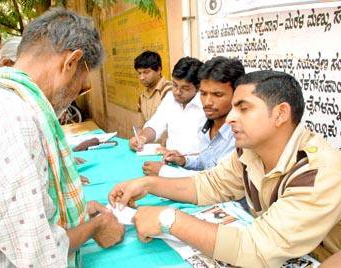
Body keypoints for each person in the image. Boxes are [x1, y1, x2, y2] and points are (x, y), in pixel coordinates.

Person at [0, 8, 124, 267]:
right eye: (84, 86)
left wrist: (75, 216)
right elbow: (39, 254)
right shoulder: (13, 119)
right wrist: (96, 226)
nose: (77, 94)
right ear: (71, 62)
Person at [109, 70, 341, 267]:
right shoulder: (251, 150)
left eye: (244, 108)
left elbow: (256, 249)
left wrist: (169, 219)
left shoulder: (318, 171)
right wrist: (149, 184)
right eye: (232, 108)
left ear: (280, 114)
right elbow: (209, 185)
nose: (230, 118)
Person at [162, 56, 244, 175]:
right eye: (203, 94)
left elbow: (217, 184)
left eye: (218, 94)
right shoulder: (205, 124)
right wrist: (184, 160)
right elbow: (206, 161)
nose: (207, 102)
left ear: (236, 94)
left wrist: (163, 172)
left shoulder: (239, 136)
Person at [130, 57, 206, 176]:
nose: (177, 92)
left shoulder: (207, 106)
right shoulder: (170, 98)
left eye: (185, 88)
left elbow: (211, 154)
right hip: (169, 162)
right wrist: (143, 138)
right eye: (175, 85)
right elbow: (156, 124)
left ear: (198, 87)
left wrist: (182, 159)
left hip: (196, 170)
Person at [135, 51, 173, 122]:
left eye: (146, 72)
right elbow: (140, 126)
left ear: (158, 70)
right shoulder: (142, 97)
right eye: (139, 73)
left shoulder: (169, 91)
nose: (141, 77)